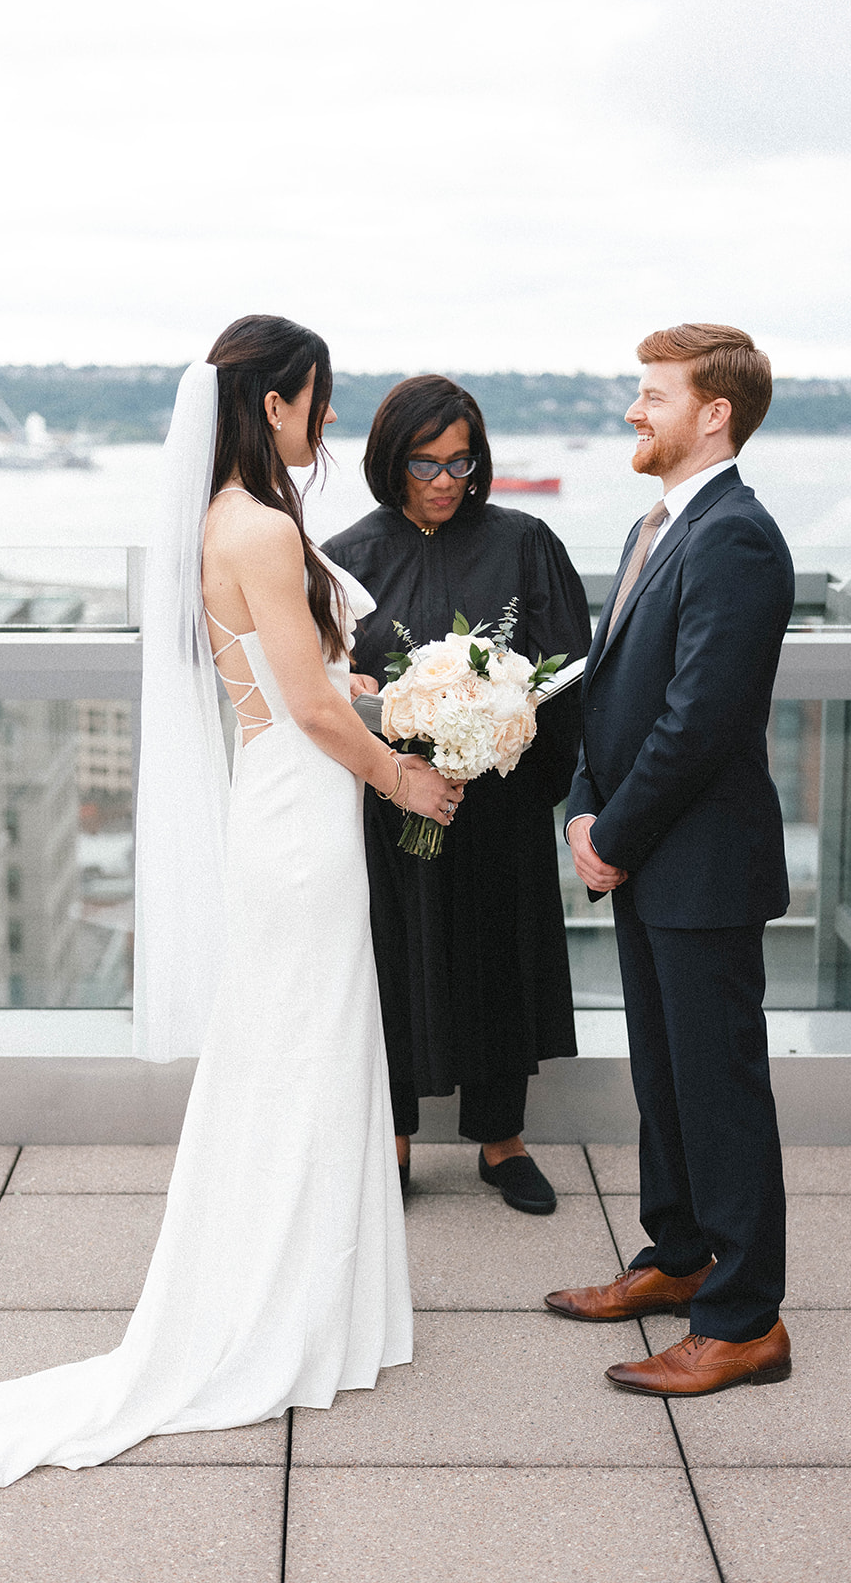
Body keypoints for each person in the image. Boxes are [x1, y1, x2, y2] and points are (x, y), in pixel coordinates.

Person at [0, 316, 462, 1531]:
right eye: (317, 398)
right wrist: (407, 775)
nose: (327, 419)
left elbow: (302, 680)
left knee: (299, 1057)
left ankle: (307, 1296)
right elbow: (303, 701)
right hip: (303, 819)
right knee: (304, 1058)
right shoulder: (256, 526)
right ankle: (284, 1309)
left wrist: (396, 697)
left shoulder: (230, 522)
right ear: (270, 404)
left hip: (287, 805)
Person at [547, 323, 795, 1397]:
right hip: (648, 858)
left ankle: (742, 1322)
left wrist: (612, 834)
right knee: (666, 1078)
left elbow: (699, 722)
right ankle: (681, 1258)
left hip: (699, 868)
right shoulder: (658, 522)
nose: (635, 412)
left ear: (714, 414)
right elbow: (613, 691)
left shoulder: (736, 537)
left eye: (653, 396)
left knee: (719, 1090)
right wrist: (584, 804)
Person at [323, 376, 590, 1211]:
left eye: (461, 461)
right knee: (392, 962)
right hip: (392, 804)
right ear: (390, 462)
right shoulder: (345, 558)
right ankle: (393, 1142)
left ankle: (502, 1143)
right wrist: (373, 711)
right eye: (425, 463)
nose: (446, 480)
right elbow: (326, 683)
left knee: (500, 959)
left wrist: (508, 747)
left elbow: (566, 666)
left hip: (502, 804)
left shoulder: (524, 542)